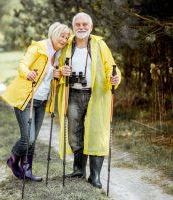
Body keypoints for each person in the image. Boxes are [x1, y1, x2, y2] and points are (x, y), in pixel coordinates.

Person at [57, 12, 121, 188]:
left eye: (85, 24)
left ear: (91, 27)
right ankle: (78, 170)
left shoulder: (100, 45)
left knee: (97, 134)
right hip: (74, 95)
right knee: (74, 134)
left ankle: (95, 176)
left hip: (96, 95)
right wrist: (62, 71)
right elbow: (58, 68)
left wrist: (114, 78)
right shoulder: (67, 46)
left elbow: (111, 68)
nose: (81, 27)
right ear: (73, 27)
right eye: (77, 24)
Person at [1, 22, 72, 181]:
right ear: (53, 34)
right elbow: (23, 65)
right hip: (26, 99)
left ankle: (27, 171)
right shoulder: (39, 48)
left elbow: (51, 75)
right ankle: (12, 161)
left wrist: (59, 73)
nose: (65, 39)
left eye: (67, 37)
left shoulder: (58, 54)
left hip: (41, 101)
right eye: (62, 36)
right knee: (29, 138)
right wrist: (27, 74)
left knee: (33, 139)